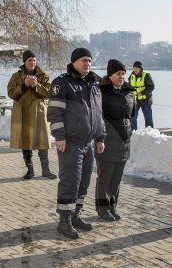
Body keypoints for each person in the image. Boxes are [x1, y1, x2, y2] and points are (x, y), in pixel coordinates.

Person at [48, 48, 106, 239]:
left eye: (89, 60)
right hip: (71, 142)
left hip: (88, 143)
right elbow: (55, 113)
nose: (87, 63)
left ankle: (75, 215)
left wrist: (100, 137)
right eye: (83, 60)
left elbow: (98, 115)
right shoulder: (62, 83)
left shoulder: (93, 85)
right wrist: (59, 136)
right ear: (73, 62)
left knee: (84, 182)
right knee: (70, 181)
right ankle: (63, 222)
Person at [96, 59, 136, 221]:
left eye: (123, 74)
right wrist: (100, 138)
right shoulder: (101, 92)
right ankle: (103, 209)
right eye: (118, 73)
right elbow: (98, 118)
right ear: (110, 75)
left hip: (124, 140)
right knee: (105, 176)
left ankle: (112, 206)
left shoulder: (129, 92)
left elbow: (131, 115)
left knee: (117, 178)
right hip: (107, 140)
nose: (121, 76)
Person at [7, 50, 57, 180]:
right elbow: (11, 93)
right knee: (26, 142)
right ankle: (30, 171)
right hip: (23, 112)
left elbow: (49, 92)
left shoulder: (43, 75)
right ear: (24, 62)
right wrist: (24, 86)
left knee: (43, 141)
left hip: (39, 113)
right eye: (30, 60)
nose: (33, 62)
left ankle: (46, 170)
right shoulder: (16, 76)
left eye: (34, 60)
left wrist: (36, 86)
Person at [128, 61, 155, 129]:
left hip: (146, 100)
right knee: (133, 117)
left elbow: (151, 86)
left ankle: (150, 132)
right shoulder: (131, 76)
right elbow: (129, 87)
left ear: (140, 68)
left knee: (148, 117)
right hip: (135, 100)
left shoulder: (146, 75)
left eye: (137, 68)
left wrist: (142, 93)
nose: (135, 69)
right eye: (134, 68)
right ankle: (134, 133)